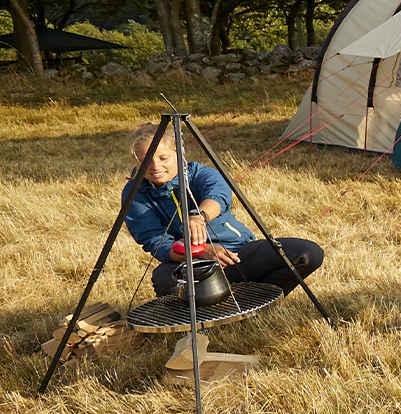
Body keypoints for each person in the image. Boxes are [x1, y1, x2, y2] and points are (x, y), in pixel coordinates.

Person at [122, 123, 324, 299]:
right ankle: (215, 304)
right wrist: (201, 252)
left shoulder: (199, 174)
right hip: (194, 266)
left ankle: (255, 298)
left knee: (307, 254)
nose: (155, 166)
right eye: (145, 160)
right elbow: (155, 241)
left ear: (179, 153)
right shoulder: (135, 192)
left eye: (163, 157)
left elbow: (219, 194)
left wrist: (199, 216)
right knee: (164, 279)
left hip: (237, 254)